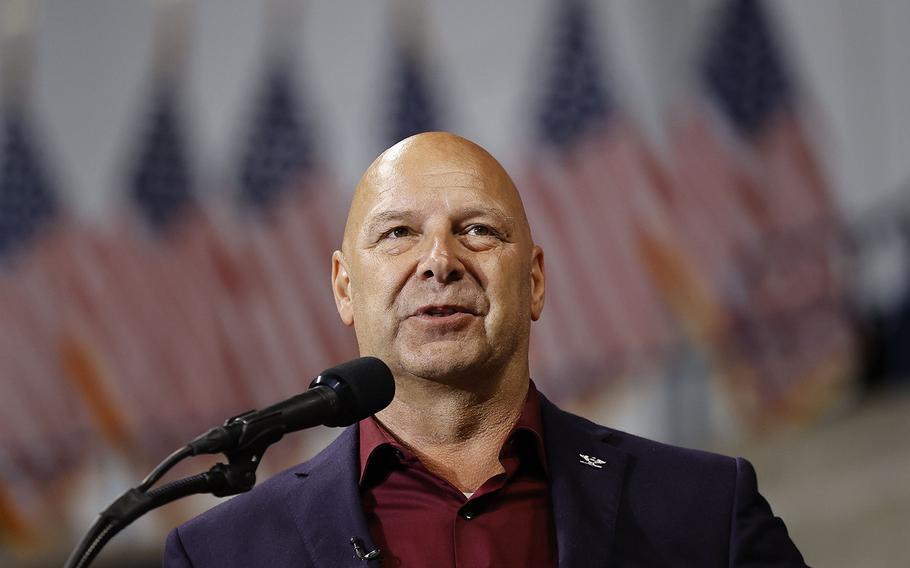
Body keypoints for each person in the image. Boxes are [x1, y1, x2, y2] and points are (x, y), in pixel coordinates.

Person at [163, 132, 806, 567]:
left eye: (477, 230)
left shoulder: (704, 511)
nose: (440, 262)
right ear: (344, 288)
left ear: (532, 282)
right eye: (398, 233)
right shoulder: (223, 555)